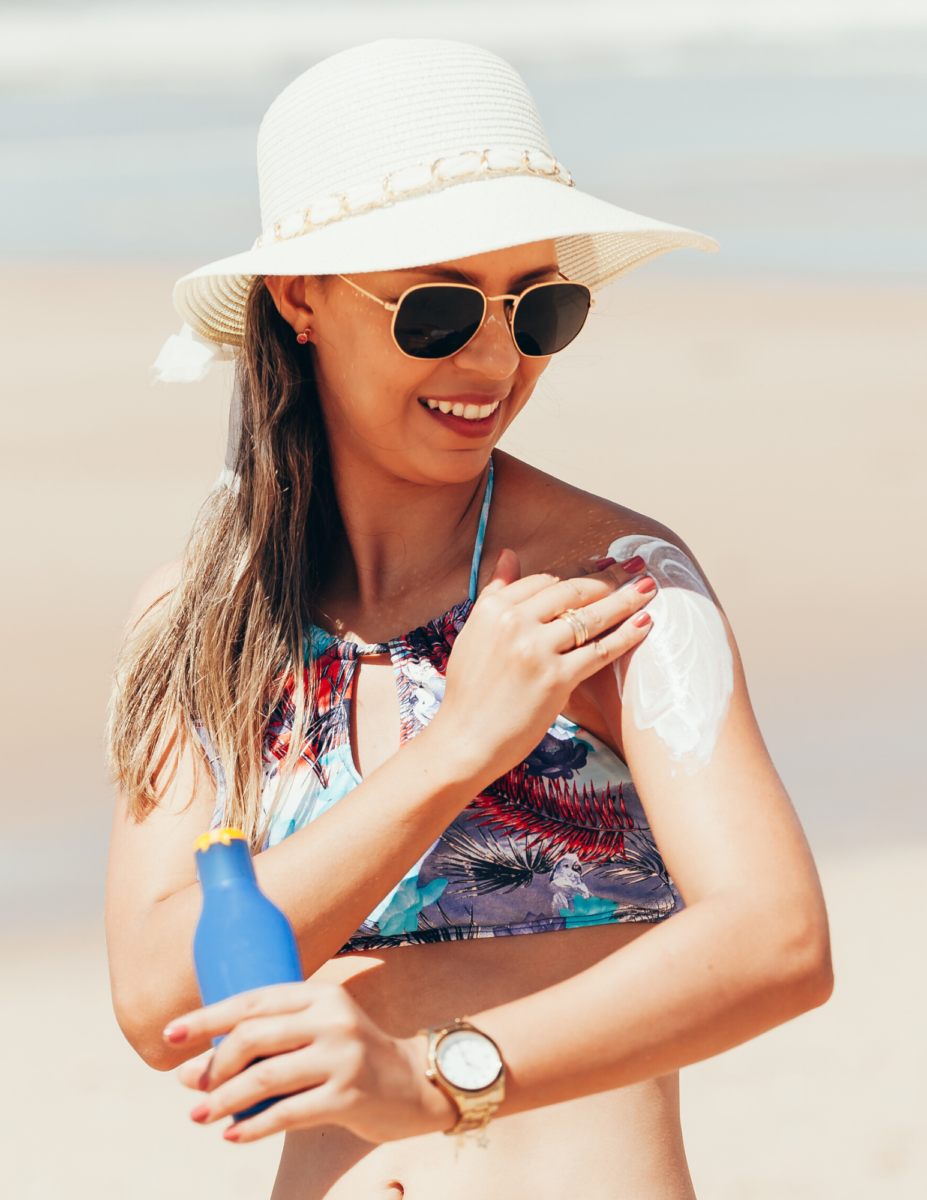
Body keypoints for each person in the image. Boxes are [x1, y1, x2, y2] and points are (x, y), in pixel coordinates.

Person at [105, 39, 832, 1200]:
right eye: (440, 309)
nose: (496, 358)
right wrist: (456, 750)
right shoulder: (205, 622)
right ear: (301, 297)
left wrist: (441, 1079)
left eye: (538, 308)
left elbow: (779, 941)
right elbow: (159, 1000)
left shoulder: (611, 584)